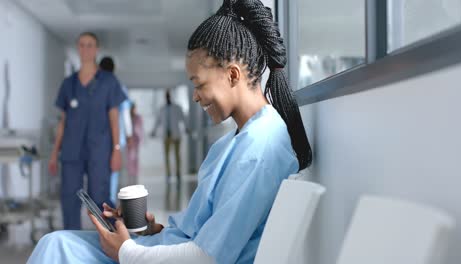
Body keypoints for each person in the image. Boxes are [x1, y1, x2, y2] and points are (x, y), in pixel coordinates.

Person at [28, 0, 312, 263]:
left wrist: (126, 251)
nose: (195, 97)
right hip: (162, 246)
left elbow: (207, 256)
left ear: (233, 75)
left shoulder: (260, 148)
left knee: (57, 247)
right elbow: (198, 230)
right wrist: (150, 229)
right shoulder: (236, 141)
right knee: (56, 244)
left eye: (199, 84)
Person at [47, 32, 127, 230]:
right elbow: (63, 122)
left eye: (90, 45)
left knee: (100, 198)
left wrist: (117, 149)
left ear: (97, 49)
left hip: (100, 150)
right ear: (78, 48)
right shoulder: (69, 84)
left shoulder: (109, 82)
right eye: (82, 45)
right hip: (71, 150)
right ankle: (72, 244)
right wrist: (54, 153)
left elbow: (114, 118)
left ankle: (106, 243)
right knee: (69, 196)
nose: (86, 49)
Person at [99, 56, 134, 204]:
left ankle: (103, 202)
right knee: (113, 172)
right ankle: (109, 201)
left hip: (100, 139)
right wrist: (129, 134)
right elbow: (125, 115)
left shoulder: (97, 87)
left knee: (99, 172)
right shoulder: (119, 87)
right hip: (116, 139)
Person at [150, 90, 188, 183]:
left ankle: (178, 173)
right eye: (166, 96)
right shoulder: (162, 109)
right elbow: (158, 122)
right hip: (166, 136)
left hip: (176, 135)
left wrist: (187, 128)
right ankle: (168, 174)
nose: (167, 97)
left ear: (171, 96)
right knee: (167, 156)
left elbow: (183, 118)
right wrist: (153, 131)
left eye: (168, 95)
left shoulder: (177, 107)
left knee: (177, 155)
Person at [127, 102, 143, 185]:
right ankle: (131, 173)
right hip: (129, 141)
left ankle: (135, 174)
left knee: (135, 158)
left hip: (136, 140)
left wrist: (141, 140)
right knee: (130, 158)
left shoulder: (138, 117)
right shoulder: (128, 117)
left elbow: (140, 130)